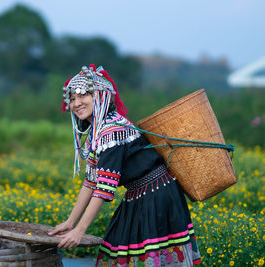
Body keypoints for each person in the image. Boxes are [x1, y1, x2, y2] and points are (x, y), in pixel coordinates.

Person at [48, 64, 201, 266]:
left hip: (157, 196)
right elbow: (90, 182)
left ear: (100, 96)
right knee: (119, 249)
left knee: (141, 254)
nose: (76, 103)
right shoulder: (98, 131)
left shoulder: (112, 131)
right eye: (73, 98)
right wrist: (70, 222)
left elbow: (104, 189)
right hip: (139, 194)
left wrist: (80, 230)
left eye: (83, 95)